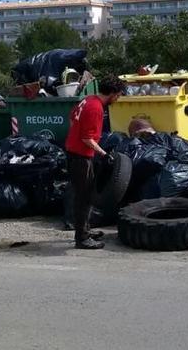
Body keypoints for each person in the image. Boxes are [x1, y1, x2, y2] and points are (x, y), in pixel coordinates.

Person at [64, 75, 126, 250]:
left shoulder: (88, 100)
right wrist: (104, 153)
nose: (118, 98)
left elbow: (72, 118)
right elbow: (87, 138)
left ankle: (85, 230)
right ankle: (82, 239)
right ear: (112, 93)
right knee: (83, 198)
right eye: (118, 94)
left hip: (75, 152)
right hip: (80, 157)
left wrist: (74, 136)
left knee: (86, 195)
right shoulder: (96, 108)